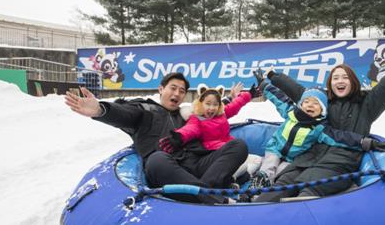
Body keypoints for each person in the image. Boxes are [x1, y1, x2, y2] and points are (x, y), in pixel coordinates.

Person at [254, 42, 385, 202]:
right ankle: (251, 212)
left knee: (308, 191)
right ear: (330, 83)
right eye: (335, 77)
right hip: (307, 157)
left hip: (339, 162)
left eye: (345, 77)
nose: (340, 80)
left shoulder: (366, 105)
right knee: (279, 187)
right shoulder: (323, 103)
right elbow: (298, 91)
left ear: (352, 82)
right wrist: (274, 77)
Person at [64, 72, 248, 204]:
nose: (176, 94)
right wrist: (100, 110)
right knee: (156, 159)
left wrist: (231, 98)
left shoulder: (187, 114)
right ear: (161, 89)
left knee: (238, 145)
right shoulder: (144, 109)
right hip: (168, 167)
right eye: (172, 88)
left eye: (182, 91)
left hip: (198, 162)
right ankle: (215, 198)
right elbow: (125, 114)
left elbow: (213, 109)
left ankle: (205, 191)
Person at [248, 80, 375, 190]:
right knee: (269, 166)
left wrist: (362, 141)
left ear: (322, 110)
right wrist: (264, 85)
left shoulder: (319, 128)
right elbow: (278, 98)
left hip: (293, 160)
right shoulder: (290, 112)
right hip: (275, 149)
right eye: (307, 101)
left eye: (315, 103)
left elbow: (339, 137)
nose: (310, 105)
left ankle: (264, 192)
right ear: (301, 104)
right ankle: (257, 184)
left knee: (281, 173)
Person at [158, 83, 261, 189]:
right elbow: (190, 129)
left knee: (257, 160)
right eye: (208, 104)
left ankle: (230, 179)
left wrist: (249, 95)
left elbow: (235, 105)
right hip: (214, 154)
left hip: (228, 151)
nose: (212, 108)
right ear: (201, 103)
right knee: (241, 157)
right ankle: (208, 186)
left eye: (215, 104)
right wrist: (179, 136)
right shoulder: (197, 119)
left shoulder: (221, 114)